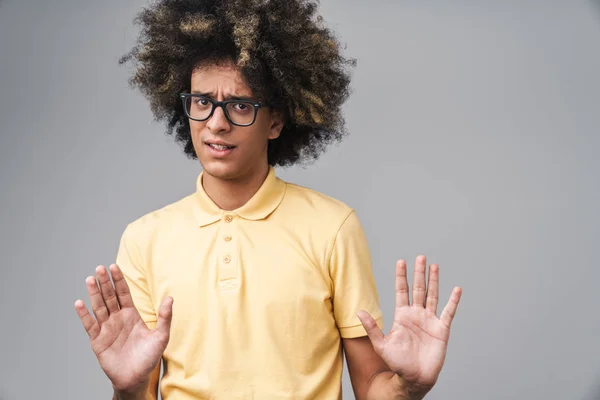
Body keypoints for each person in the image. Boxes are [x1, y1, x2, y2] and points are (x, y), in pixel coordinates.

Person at [73, 1, 463, 399]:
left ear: (275, 121)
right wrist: (127, 388)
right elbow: (138, 392)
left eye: (240, 105)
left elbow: (371, 389)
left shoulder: (333, 227)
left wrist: (410, 385)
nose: (216, 122)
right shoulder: (144, 240)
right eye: (202, 102)